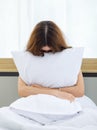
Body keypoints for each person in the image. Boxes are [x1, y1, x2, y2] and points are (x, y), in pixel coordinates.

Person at [18, 21, 84, 102]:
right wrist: (55, 93)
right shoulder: (28, 58)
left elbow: (80, 91)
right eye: (43, 51)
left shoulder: (69, 56)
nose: (47, 54)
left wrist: (43, 89)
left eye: (50, 51)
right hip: (35, 102)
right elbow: (22, 90)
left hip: (66, 102)